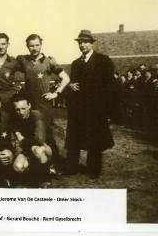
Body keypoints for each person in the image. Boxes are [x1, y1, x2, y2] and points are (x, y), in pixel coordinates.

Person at [65, 30, 115, 179]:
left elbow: (110, 87)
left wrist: (108, 111)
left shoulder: (103, 60)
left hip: (96, 110)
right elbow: (73, 83)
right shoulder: (75, 63)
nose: (82, 45)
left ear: (92, 43)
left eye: (85, 42)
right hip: (78, 110)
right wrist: (71, 86)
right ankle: (72, 166)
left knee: (95, 140)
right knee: (74, 139)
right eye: (80, 42)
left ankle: (93, 169)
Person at [17, 34, 70, 175]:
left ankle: (54, 165)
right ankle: (36, 164)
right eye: (31, 45)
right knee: (32, 135)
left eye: (37, 45)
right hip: (30, 106)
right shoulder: (23, 60)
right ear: (27, 46)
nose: (34, 48)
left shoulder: (49, 61)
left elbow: (66, 78)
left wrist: (56, 93)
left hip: (44, 106)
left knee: (49, 136)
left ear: (41, 45)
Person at [11, 93, 52, 188]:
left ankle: (45, 178)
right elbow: (17, 142)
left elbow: (40, 140)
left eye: (23, 108)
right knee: (18, 167)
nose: (20, 112)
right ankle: (33, 173)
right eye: (17, 109)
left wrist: (23, 139)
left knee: (38, 150)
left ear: (29, 106)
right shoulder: (14, 118)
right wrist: (19, 137)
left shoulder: (36, 115)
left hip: (46, 148)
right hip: (26, 149)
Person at [0, 33, 23, 110]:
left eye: (3, 44)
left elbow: (18, 83)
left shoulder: (14, 62)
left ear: (8, 44)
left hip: (8, 101)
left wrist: (11, 95)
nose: (1, 47)